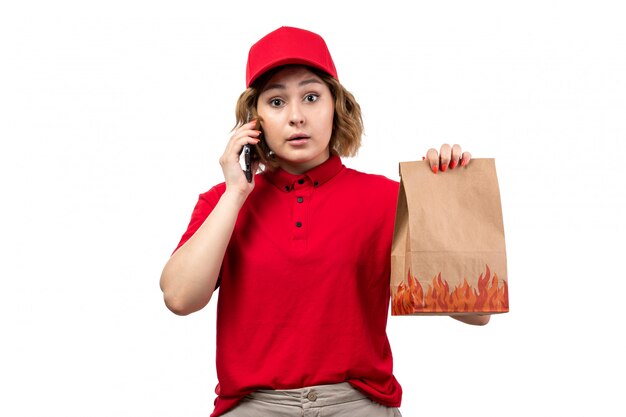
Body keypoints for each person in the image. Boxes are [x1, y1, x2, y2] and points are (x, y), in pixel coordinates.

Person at [160, 26, 490, 417]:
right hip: (253, 407)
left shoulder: (387, 199)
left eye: (311, 97)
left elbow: (476, 311)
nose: (296, 116)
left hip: (358, 405)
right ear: (254, 121)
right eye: (277, 101)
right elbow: (179, 298)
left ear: (337, 106)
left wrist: (441, 201)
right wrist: (235, 192)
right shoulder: (222, 202)